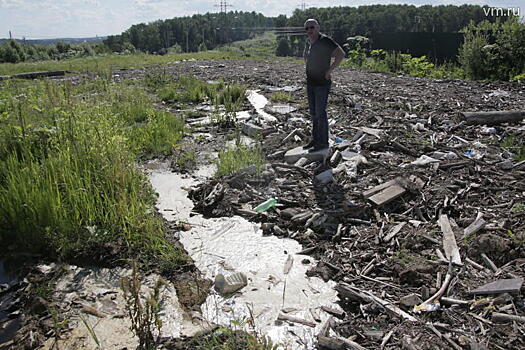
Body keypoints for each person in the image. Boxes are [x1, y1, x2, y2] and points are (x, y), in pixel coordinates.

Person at [302, 19, 345, 152]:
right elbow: (307, 57)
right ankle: (315, 140)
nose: (310, 30)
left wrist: (330, 70)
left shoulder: (325, 40)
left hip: (321, 83)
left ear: (318, 27)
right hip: (311, 83)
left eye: (312, 27)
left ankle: (323, 142)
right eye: (307, 28)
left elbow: (340, 54)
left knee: (320, 113)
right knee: (314, 113)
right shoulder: (310, 42)